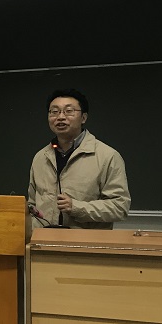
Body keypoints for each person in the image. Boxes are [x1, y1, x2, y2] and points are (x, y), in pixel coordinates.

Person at [28, 88, 130, 229]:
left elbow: (120, 207)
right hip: (43, 239)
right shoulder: (40, 157)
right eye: (54, 111)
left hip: (85, 241)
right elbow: (32, 205)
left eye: (69, 111)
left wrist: (76, 207)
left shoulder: (107, 156)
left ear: (83, 118)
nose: (60, 117)